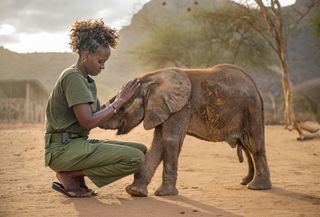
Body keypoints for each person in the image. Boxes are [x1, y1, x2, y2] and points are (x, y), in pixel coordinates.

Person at [44, 19, 147, 197]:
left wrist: (124, 99)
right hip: (62, 149)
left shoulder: (87, 81)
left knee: (141, 150)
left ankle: (74, 175)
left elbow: (98, 117)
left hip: (77, 144)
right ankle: (69, 175)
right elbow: (87, 121)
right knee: (135, 158)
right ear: (85, 55)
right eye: (100, 61)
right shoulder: (72, 77)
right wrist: (120, 101)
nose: (103, 66)